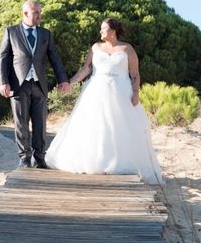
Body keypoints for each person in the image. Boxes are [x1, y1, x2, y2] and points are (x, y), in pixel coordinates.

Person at [45, 18, 163, 184]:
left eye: (104, 29)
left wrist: (135, 93)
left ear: (113, 31)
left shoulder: (127, 49)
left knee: (119, 126)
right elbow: (86, 69)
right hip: (95, 90)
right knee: (94, 126)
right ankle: (95, 161)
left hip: (120, 91)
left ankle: (118, 162)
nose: (100, 32)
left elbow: (135, 74)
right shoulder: (95, 47)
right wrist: (69, 82)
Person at [0, 0, 70, 168]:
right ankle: (24, 157)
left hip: (39, 85)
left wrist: (63, 79)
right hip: (18, 85)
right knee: (21, 122)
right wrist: (4, 81)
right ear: (25, 14)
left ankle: (39, 157)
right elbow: (3, 58)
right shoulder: (11, 32)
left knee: (40, 123)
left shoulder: (45, 34)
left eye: (40, 12)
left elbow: (54, 58)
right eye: (36, 13)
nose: (39, 16)